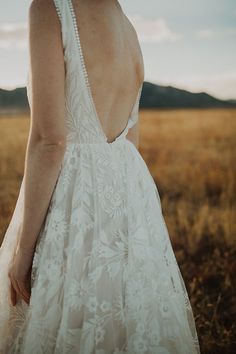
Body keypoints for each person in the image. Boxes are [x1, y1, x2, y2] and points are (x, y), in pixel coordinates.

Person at [0, 0, 201, 353]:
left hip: (72, 195)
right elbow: (131, 136)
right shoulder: (127, 26)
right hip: (127, 193)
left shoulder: (49, 7)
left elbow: (51, 140)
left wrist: (23, 250)